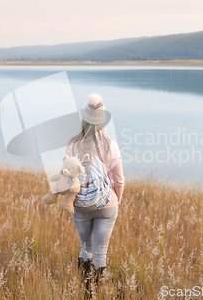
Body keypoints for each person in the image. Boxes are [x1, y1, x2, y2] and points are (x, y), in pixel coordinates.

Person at [64, 93, 124, 292]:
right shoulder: (110, 145)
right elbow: (119, 180)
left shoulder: (72, 144)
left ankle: (85, 292)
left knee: (85, 248)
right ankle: (96, 293)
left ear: (84, 118)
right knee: (100, 253)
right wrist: (117, 199)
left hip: (80, 204)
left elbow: (67, 175)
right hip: (107, 205)